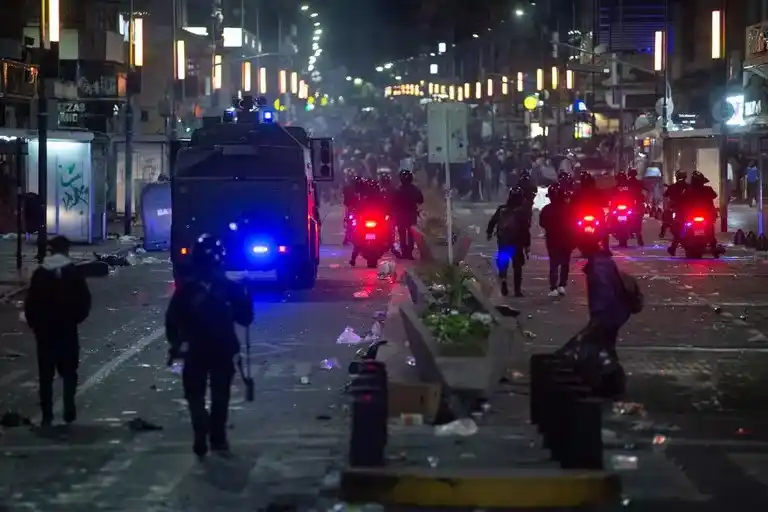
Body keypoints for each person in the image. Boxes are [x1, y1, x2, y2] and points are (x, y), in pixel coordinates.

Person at [165, 234, 254, 457]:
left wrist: (176, 344)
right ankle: (217, 437)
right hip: (223, 349)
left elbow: (172, 320)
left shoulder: (186, 290)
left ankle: (200, 423)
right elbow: (245, 319)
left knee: (194, 393)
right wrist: (245, 299)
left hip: (195, 349)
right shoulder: (230, 288)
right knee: (220, 395)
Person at [24, 235, 92, 426]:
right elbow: (84, 302)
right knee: (69, 372)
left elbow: (31, 304)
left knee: (46, 375)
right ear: (67, 251)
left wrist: (36, 324)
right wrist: (74, 320)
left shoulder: (40, 274)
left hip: (45, 332)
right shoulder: (73, 274)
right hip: (67, 330)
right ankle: (69, 408)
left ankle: (47, 414)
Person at [486, 186, 531, 297]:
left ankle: (503, 280)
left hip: (503, 241)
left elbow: (492, 221)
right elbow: (525, 230)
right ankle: (517, 290)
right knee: (517, 267)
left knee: (503, 263)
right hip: (517, 243)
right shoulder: (522, 212)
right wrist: (527, 245)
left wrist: (489, 233)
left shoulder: (502, 209)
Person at [539, 184, 573, 297]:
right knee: (565, 263)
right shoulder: (568, 208)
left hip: (552, 240)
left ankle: (553, 287)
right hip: (567, 240)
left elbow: (542, 223)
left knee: (554, 263)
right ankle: (562, 285)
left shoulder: (547, 209)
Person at [392, 169, 424, 260]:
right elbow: (421, 200)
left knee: (402, 233)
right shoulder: (415, 189)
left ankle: (404, 252)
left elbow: (392, 202)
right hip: (411, 214)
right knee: (411, 234)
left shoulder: (398, 190)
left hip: (400, 215)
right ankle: (409, 253)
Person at [661, 170, 687, 239]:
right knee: (666, 215)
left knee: (666, 217)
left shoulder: (672, 186)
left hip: (676, 206)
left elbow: (665, 195)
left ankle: (662, 232)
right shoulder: (688, 186)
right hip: (684, 206)